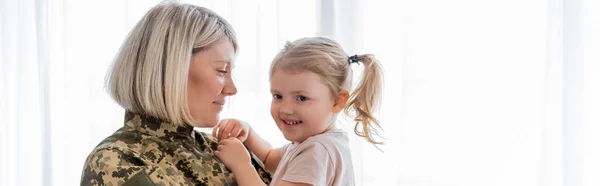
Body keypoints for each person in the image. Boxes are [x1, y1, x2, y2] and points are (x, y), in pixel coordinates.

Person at [80, 1, 271, 185]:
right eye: (221, 70)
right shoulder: (117, 161)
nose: (232, 89)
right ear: (171, 70)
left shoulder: (225, 149)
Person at [212, 37, 385, 186]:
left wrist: (241, 165)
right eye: (278, 96)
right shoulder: (314, 143)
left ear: (338, 101)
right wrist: (248, 132)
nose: (285, 109)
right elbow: (269, 157)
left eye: (301, 98)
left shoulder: (317, 151)